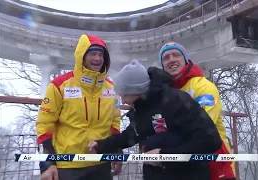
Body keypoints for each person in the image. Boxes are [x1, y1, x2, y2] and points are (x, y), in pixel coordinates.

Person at [87, 60, 222, 180]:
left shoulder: (176, 101)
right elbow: (131, 136)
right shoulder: (141, 109)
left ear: (136, 91)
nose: (122, 100)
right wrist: (101, 145)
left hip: (188, 174)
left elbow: (210, 140)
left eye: (124, 95)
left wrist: (164, 157)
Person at [36, 34, 122, 180]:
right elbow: (45, 124)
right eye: (93, 54)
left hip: (101, 163)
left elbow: (115, 122)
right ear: (81, 56)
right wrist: (48, 163)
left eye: (101, 55)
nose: (97, 59)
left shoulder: (111, 88)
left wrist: (116, 152)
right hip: (68, 166)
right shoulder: (59, 85)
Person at [159, 41, 236, 180]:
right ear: (162, 65)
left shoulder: (203, 86)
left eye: (176, 55)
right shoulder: (163, 93)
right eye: (166, 58)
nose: (171, 60)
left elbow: (203, 127)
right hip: (184, 165)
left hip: (215, 163)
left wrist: (162, 151)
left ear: (185, 59)